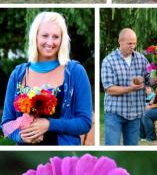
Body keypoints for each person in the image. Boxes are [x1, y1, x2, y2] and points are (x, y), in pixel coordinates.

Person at [1, 11, 91, 146]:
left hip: (64, 154)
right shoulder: (18, 74)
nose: (50, 42)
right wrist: (20, 137)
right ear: (35, 37)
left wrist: (49, 124)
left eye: (56, 37)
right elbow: (6, 124)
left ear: (62, 40)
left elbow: (84, 123)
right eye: (45, 36)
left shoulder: (75, 72)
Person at [100, 27, 149, 146]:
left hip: (135, 113)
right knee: (112, 148)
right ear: (120, 41)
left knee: (132, 149)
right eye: (129, 43)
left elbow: (149, 79)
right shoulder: (109, 61)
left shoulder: (141, 58)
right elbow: (110, 89)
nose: (132, 46)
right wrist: (130, 88)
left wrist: (156, 75)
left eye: (134, 43)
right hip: (115, 113)